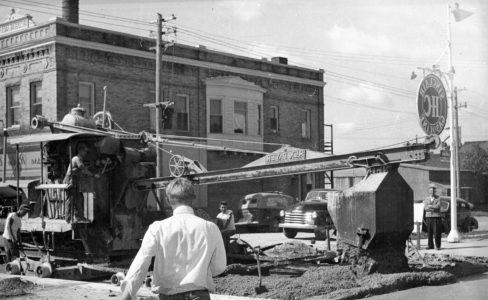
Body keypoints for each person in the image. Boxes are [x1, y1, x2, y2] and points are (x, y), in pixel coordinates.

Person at [120, 178, 226, 300]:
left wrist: (127, 295)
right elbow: (219, 266)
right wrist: (200, 271)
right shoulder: (211, 228)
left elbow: (141, 264)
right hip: (199, 296)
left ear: (167, 200)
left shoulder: (157, 228)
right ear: (193, 198)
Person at [63, 143, 98, 222]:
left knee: (78, 198)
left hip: (74, 181)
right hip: (70, 181)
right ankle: (68, 218)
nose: (86, 153)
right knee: (71, 199)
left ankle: (79, 217)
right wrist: (93, 175)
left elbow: (82, 169)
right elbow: (83, 169)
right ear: (81, 151)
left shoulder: (78, 159)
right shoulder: (77, 158)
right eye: (85, 151)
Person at [423, 183, 442, 250]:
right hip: (428, 217)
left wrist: (430, 206)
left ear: (435, 191)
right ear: (429, 191)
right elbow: (425, 208)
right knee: (429, 233)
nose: (432, 192)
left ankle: (438, 246)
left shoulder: (438, 198)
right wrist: (433, 207)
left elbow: (438, 206)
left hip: (436, 217)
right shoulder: (426, 199)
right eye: (431, 191)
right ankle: (430, 246)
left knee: (436, 232)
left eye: (433, 191)